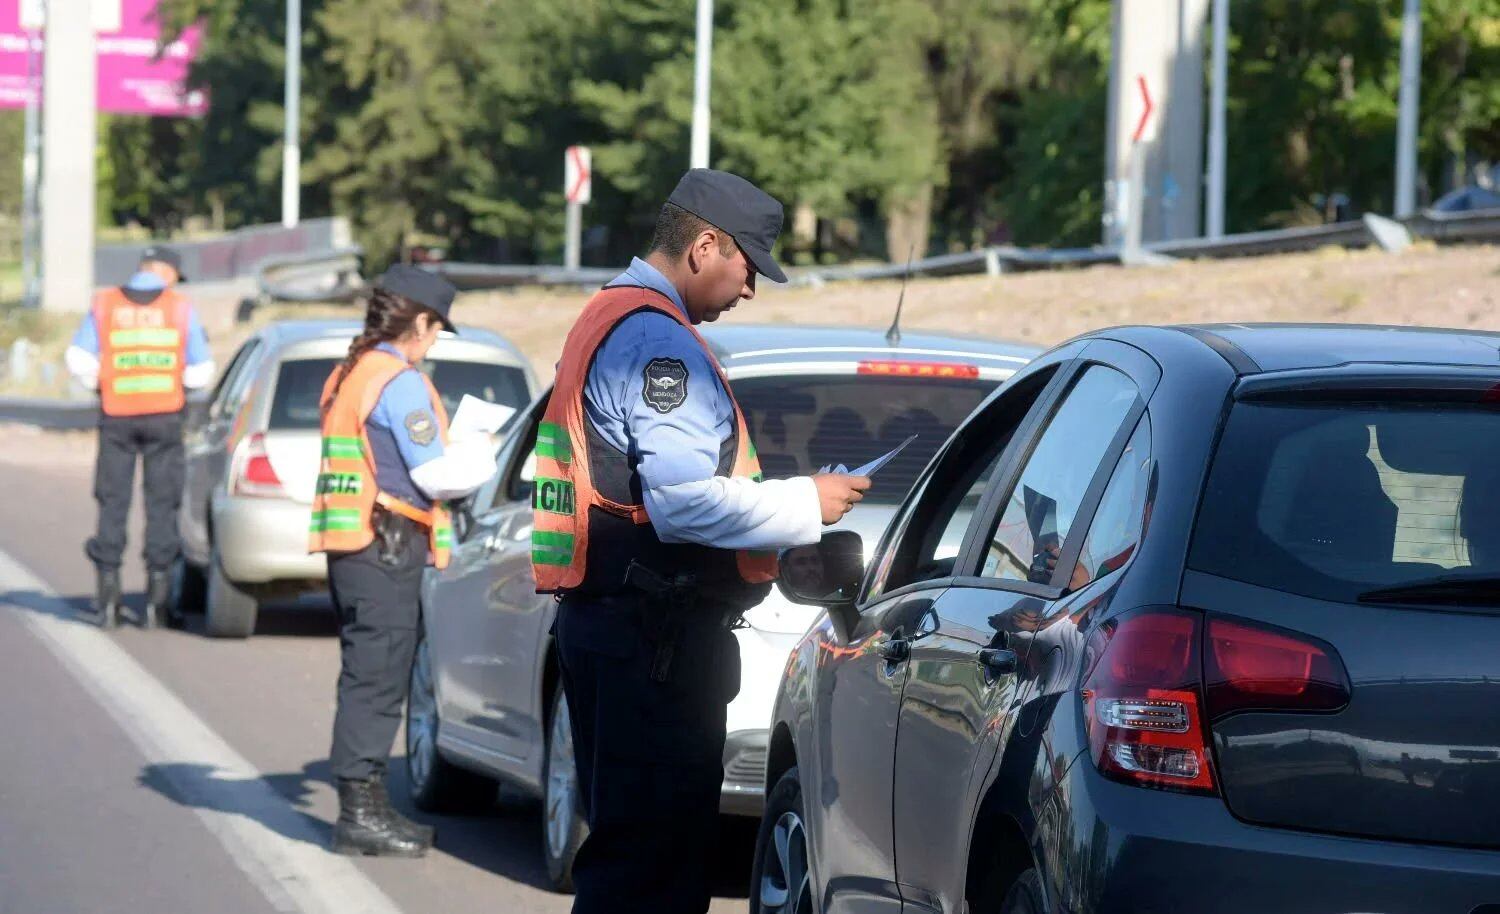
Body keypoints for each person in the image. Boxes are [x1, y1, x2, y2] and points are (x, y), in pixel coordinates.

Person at [532, 168, 871, 913]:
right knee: (653, 874)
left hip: (615, 627)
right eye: (746, 265)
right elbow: (683, 505)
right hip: (653, 640)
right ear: (703, 245)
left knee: (631, 862)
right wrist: (804, 501)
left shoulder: (608, 312)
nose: (749, 288)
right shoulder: (660, 341)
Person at [308, 265, 497, 857]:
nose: (436, 338)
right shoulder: (401, 381)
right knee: (378, 679)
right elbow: (433, 475)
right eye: (437, 327)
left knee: (368, 674)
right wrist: (482, 457)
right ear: (419, 320)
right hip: (386, 546)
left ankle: (368, 806)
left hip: (355, 546)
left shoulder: (351, 372)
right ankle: (359, 815)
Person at [65, 246, 215, 630]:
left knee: (112, 503)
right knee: (162, 506)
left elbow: (78, 360)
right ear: (167, 272)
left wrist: (101, 382)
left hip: (116, 419)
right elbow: (201, 372)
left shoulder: (106, 303)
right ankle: (157, 606)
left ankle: (108, 601)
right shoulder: (179, 307)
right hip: (165, 419)